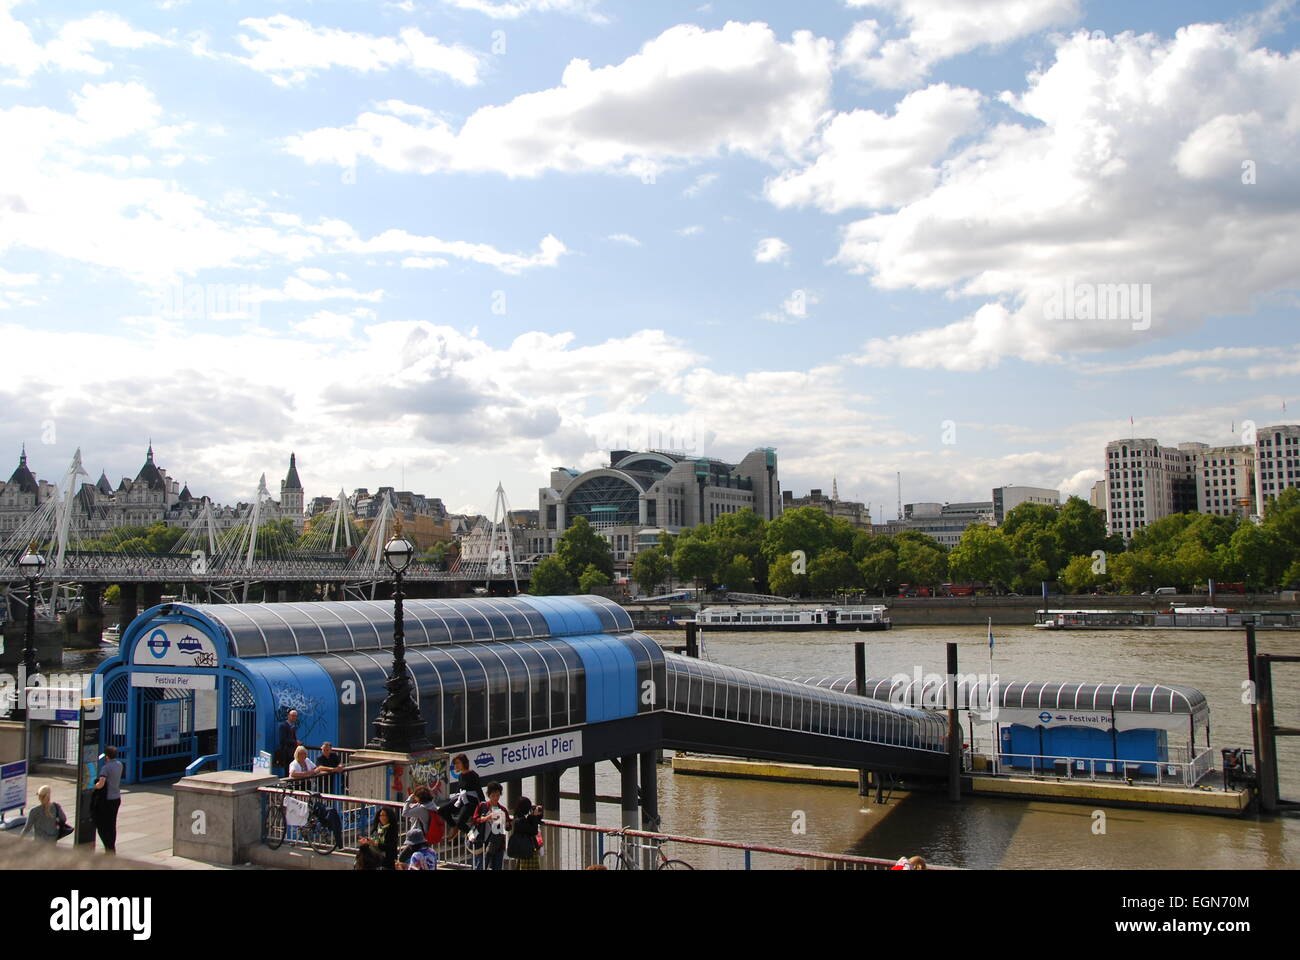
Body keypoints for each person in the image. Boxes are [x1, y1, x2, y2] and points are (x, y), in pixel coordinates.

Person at [436, 754, 482, 838]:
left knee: (460, 822)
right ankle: (454, 827)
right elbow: (459, 790)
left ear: (464, 763)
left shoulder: (473, 775)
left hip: (470, 802)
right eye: (455, 763)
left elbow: (479, 791)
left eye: (458, 763)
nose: (456, 765)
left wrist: (483, 805)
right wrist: (452, 802)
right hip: (461, 800)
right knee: (441, 810)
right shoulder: (460, 775)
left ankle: (474, 837)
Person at [469, 782, 510, 871]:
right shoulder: (482, 806)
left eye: (498, 795)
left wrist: (506, 823)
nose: (495, 798)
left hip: (498, 844)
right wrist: (487, 818)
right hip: (483, 843)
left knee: (497, 867)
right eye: (493, 795)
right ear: (488, 795)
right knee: (481, 866)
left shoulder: (502, 809)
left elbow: (508, 827)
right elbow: (475, 820)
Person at [92, 745, 125, 854]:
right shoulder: (119, 765)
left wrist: (94, 786)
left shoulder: (105, 768)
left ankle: (108, 846)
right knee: (112, 823)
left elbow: (101, 784)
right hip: (116, 797)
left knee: (102, 824)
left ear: (106, 756)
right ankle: (112, 845)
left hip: (107, 799)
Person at [507, 796, 544, 870]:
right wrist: (533, 816)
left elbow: (533, 823)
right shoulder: (520, 820)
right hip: (527, 852)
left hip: (525, 850)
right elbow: (533, 831)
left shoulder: (518, 817)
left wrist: (536, 815)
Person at [275, 709, 299, 775]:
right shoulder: (283, 726)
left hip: (292, 751)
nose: (294, 717)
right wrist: (295, 742)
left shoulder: (293, 726)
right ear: (288, 716)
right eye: (292, 716)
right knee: (287, 768)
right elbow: (283, 739)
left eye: (295, 716)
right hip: (286, 751)